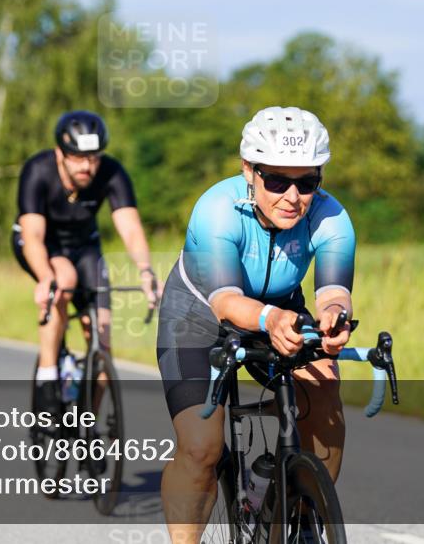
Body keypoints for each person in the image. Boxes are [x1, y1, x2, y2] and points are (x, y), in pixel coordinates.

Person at [156, 107, 356, 542]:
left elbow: (334, 292)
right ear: (249, 169)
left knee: (325, 391)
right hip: (199, 315)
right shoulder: (216, 210)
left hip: (282, 309)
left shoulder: (332, 218)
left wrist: (334, 317)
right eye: (276, 181)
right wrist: (271, 318)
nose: (292, 196)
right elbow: (227, 302)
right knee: (201, 448)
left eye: (306, 182)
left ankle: (305, 513)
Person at [12, 110, 159, 413]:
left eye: (93, 158)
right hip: (41, 244)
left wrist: (146, 272)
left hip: (85, 247)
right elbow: (34, 236)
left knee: (102, 340)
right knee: (63, 280)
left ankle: (86, 421)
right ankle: (48, 374)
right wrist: (44, 278)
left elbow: (130, 229)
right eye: (77, 157)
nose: (86, 166)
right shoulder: (37, 171)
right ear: (60, 154)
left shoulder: (112, 172)